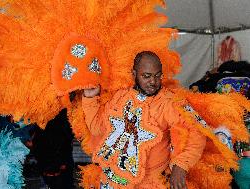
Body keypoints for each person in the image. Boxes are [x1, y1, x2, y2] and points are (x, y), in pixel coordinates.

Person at [82, 51, 206, 189]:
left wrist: (181, 166)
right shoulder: (120, 97)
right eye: (146, 76)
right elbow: (97, 128)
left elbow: (197, 131)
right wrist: (90, 98)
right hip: (111, 181)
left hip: (149, 183)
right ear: (134, 74)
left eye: (157, 76)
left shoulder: (170, 102)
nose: (153, 82)